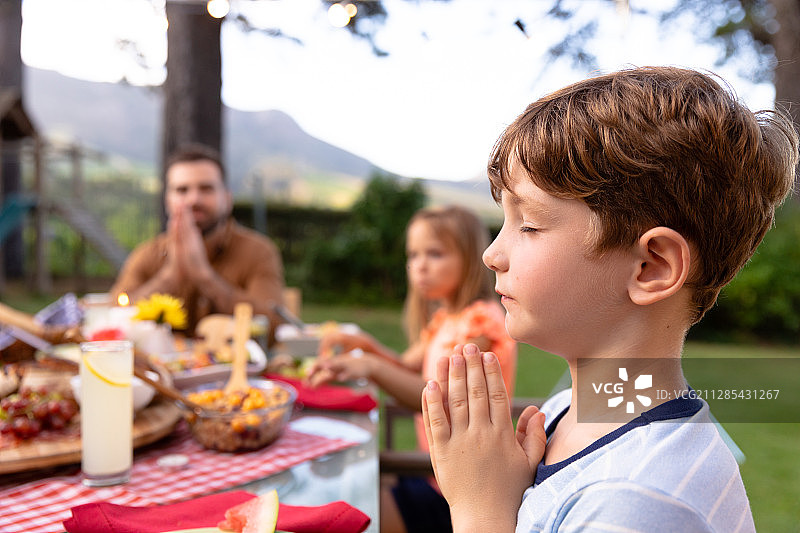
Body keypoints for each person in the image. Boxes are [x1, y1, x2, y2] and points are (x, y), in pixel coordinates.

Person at [421, 66, 798, 532]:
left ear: (651, 267)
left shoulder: (637, 502)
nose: (492, 254)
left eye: (530, 225)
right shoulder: (574, 409)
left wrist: (480, 510)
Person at [306, 204, 517, 533]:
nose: (419, 266)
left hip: (464, 490)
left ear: (470, 258)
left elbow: (441, 401)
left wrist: (371, 365)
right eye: (413, 255)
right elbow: (404, 366)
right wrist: (364, 345)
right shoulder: (445, 320)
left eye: (434, 253)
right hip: (438, 474)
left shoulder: (481, 324)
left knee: (353, 505)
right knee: (354, 489)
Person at [111, 144, 285, 341]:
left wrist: (205, 277)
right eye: (182, 190)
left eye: (206, 188)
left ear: (227, 199)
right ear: (168, 201)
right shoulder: (148, 253)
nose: (194, 199)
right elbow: (113, 316)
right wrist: (171, 276)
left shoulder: (258, 251)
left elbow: (274, 326)